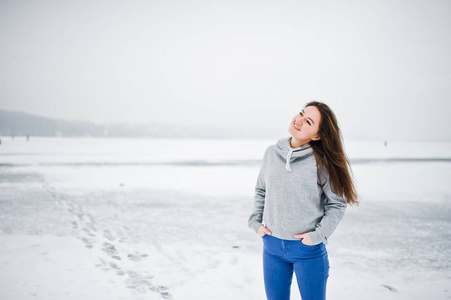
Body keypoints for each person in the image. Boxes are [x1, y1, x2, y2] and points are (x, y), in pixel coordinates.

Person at [248, 101, 358, 300]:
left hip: (307, 252)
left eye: (308, 121)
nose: (298, 120)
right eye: (301, 113)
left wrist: (318, 235)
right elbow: (261, 190)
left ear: (317, 135)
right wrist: (255, 222)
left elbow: (337, 204)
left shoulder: (320, 162)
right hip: (272, 248)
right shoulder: (271, 153)